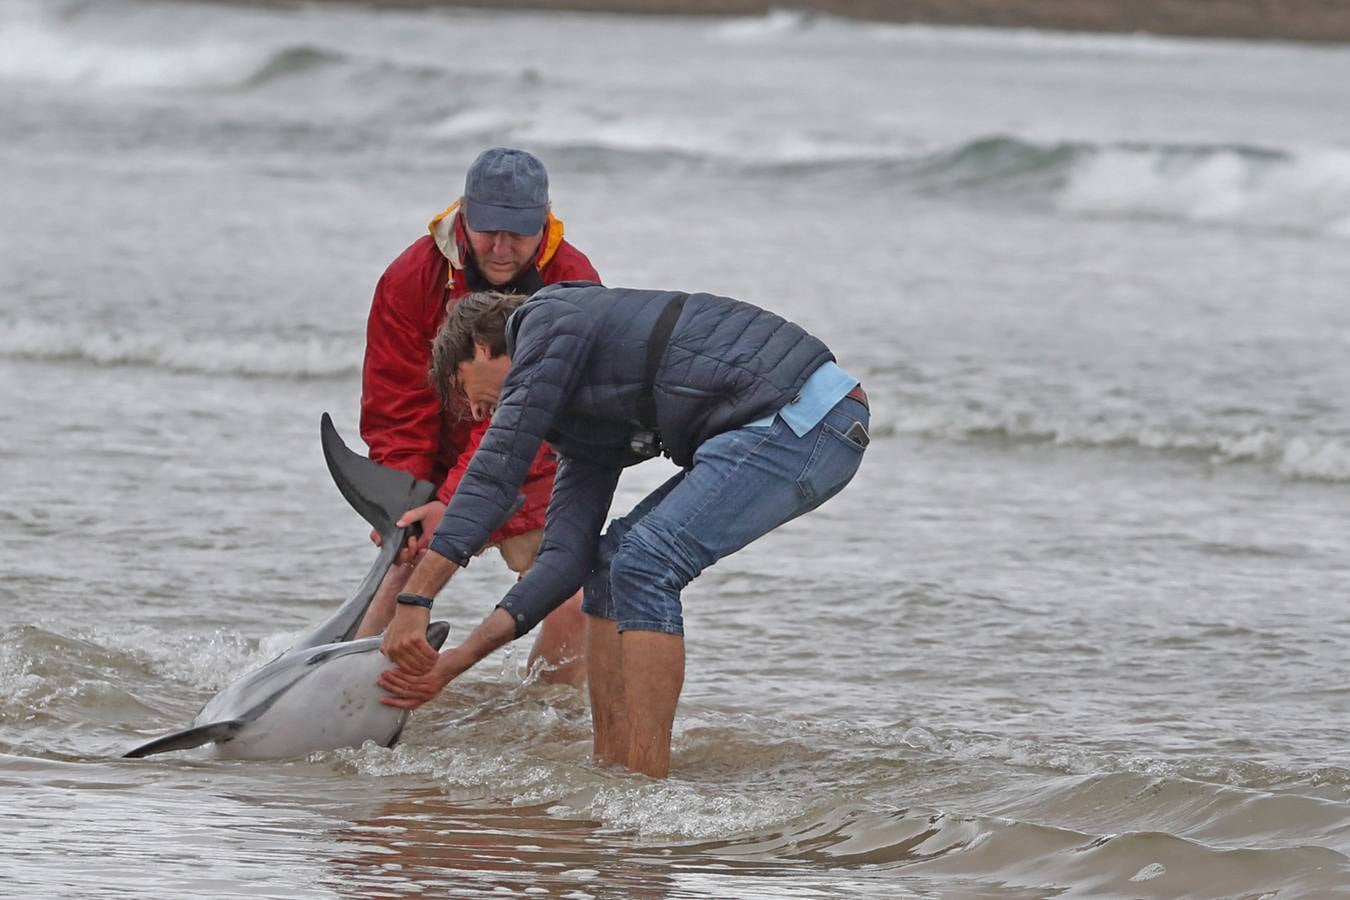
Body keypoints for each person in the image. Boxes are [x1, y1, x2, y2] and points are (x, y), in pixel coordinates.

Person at [377, 286, 870, 778]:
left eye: (463, 389)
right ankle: (613, 773)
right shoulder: (584, 417)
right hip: (791, 427)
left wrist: (415, 600)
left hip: (807, 418)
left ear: (482, 347)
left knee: (646, 561)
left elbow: (495, 471)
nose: (476, 412)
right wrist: (457, 661)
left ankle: (648, 783)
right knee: (607, 566)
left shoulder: (545, 318)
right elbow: (563, 561)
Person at [357, 147, 599, 687]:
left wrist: (456, 502)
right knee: (401, 578)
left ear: (545, 220)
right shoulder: (411, 277)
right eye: (488, 230)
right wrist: (405, 498)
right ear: (464, 214)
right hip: (436, 464)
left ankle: (544, 717)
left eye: (519, 232)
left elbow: (544, 417)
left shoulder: (572, 281)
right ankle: (342, 698)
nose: (502, 248)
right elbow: (396, 404)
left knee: (573, 600)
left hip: (535, 465)